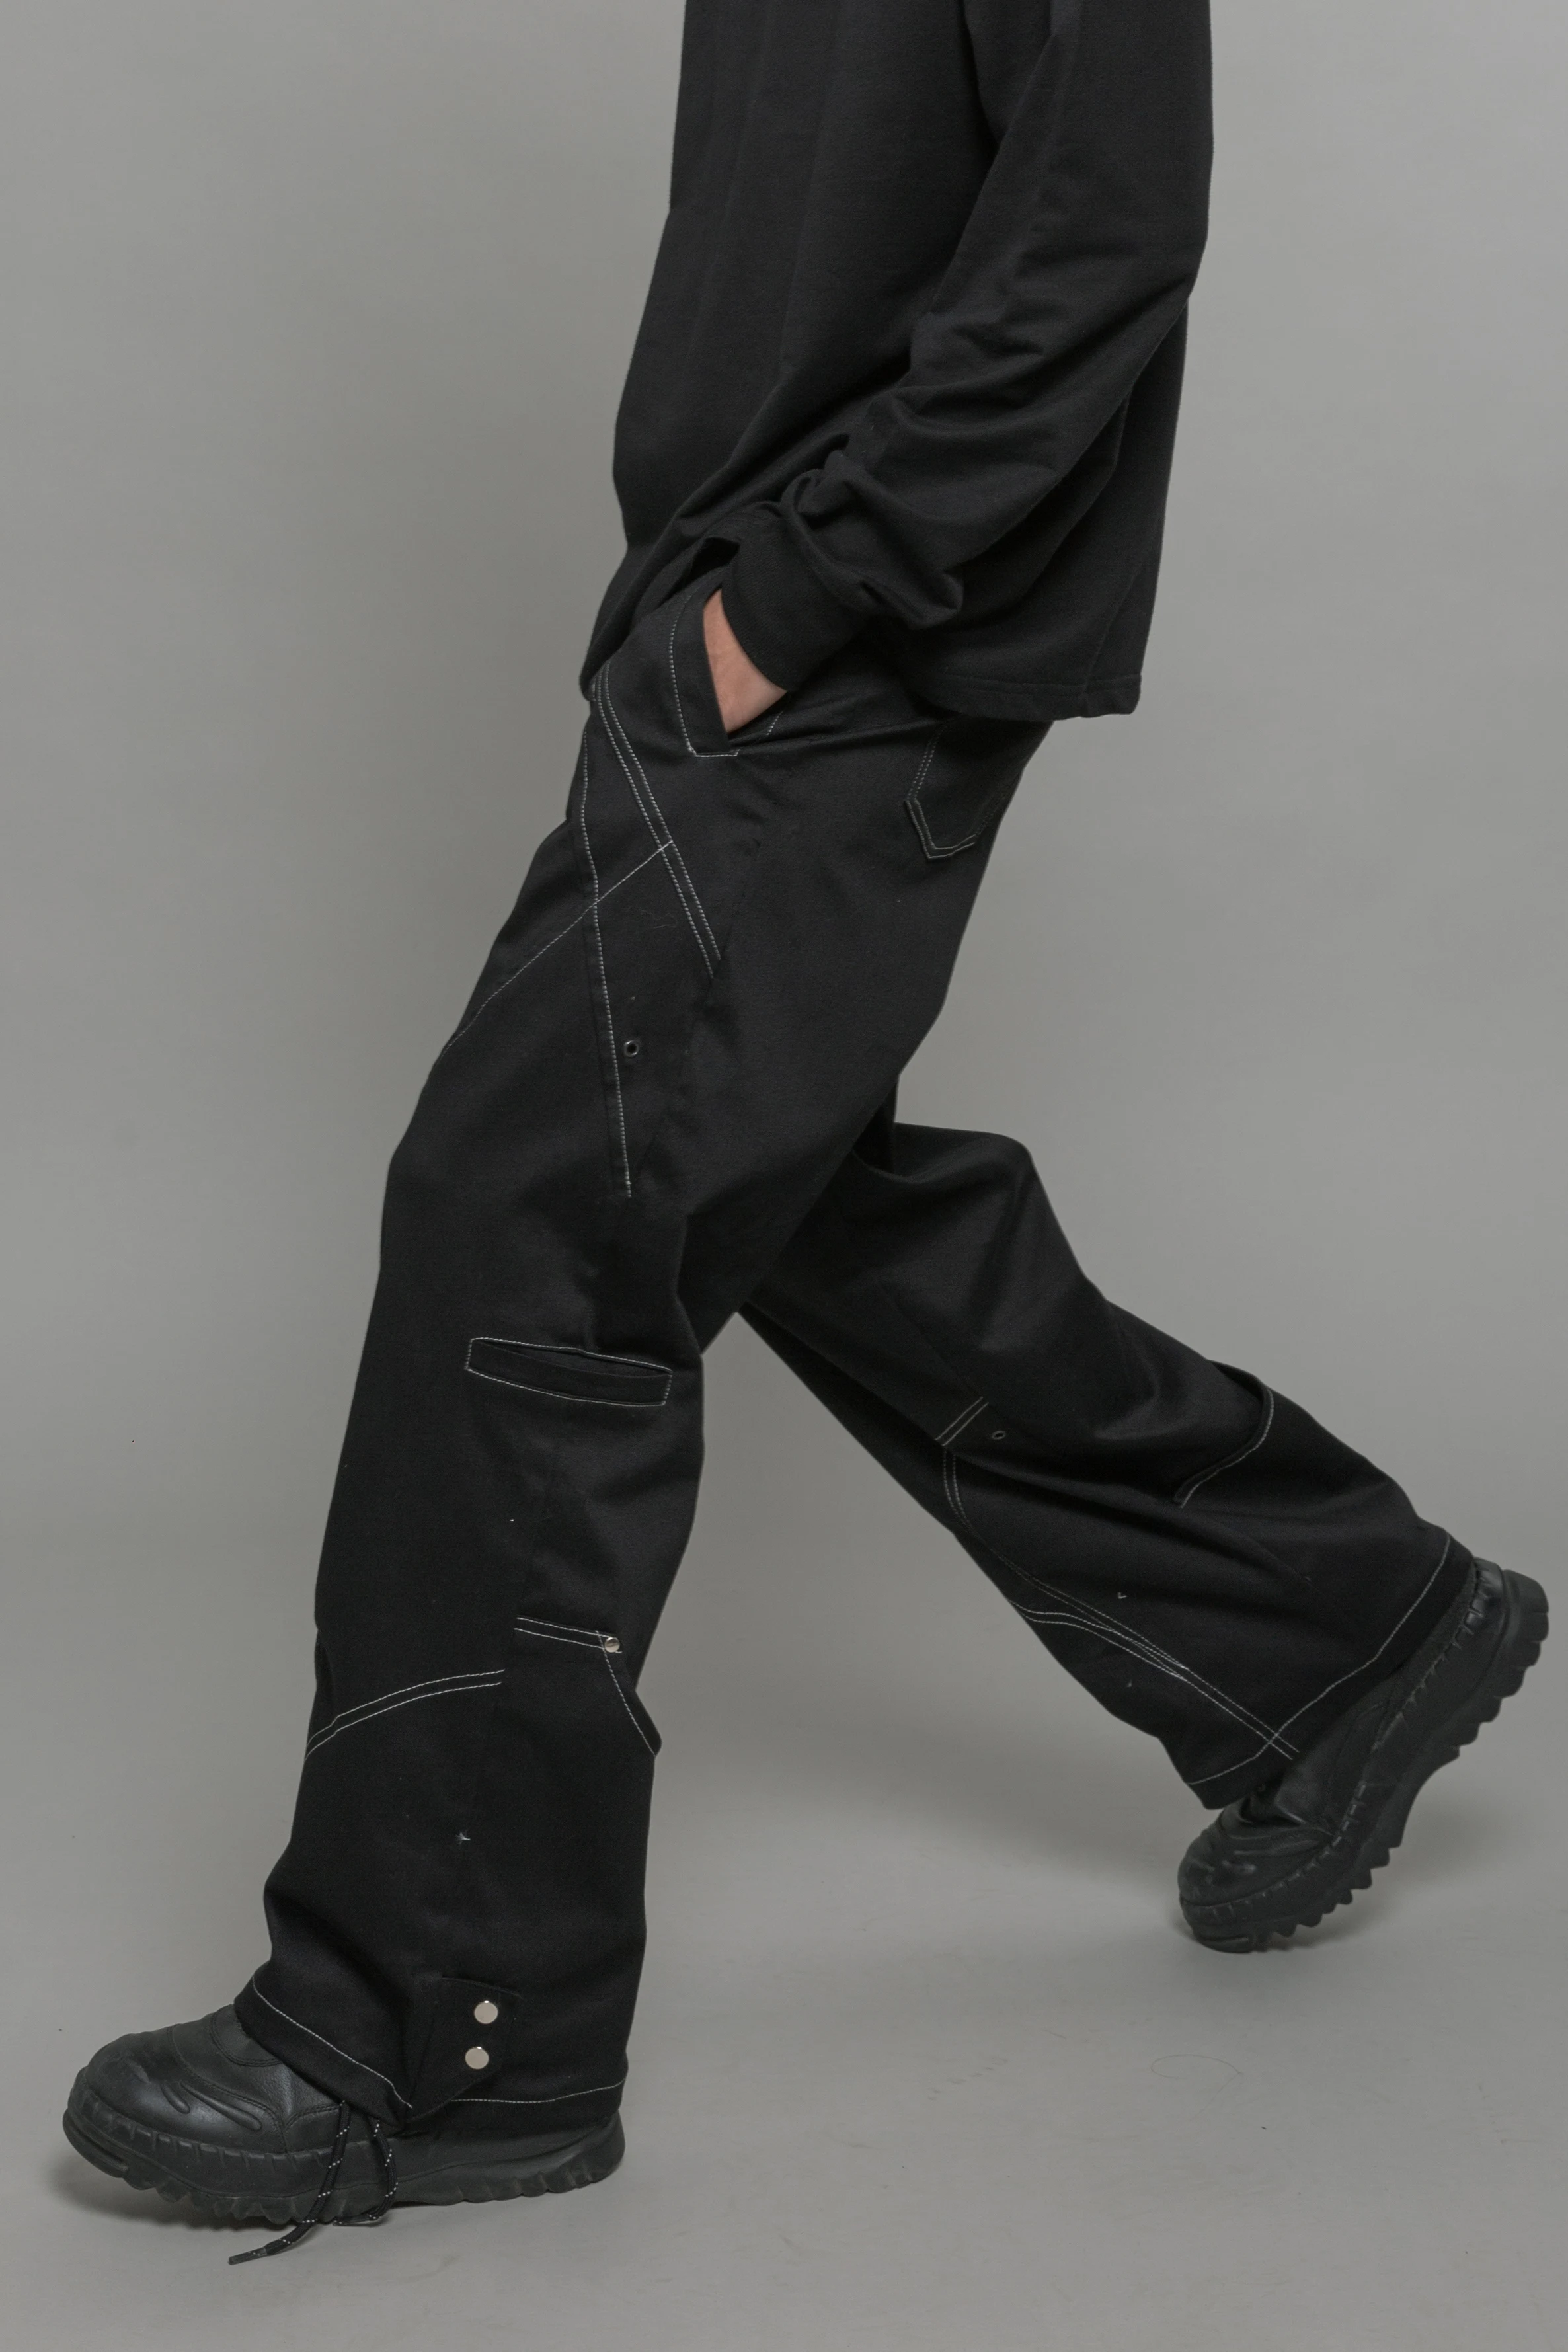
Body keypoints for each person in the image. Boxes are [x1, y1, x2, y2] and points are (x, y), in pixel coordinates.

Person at [63, 0, 1546, 2259]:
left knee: (524, 1225)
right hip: (732, 608)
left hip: (847, 635)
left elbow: (1100, 233)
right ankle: (1328, 1628)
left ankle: (438, 2026)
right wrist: (706, 605)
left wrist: (804, 595)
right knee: (765, 1192)